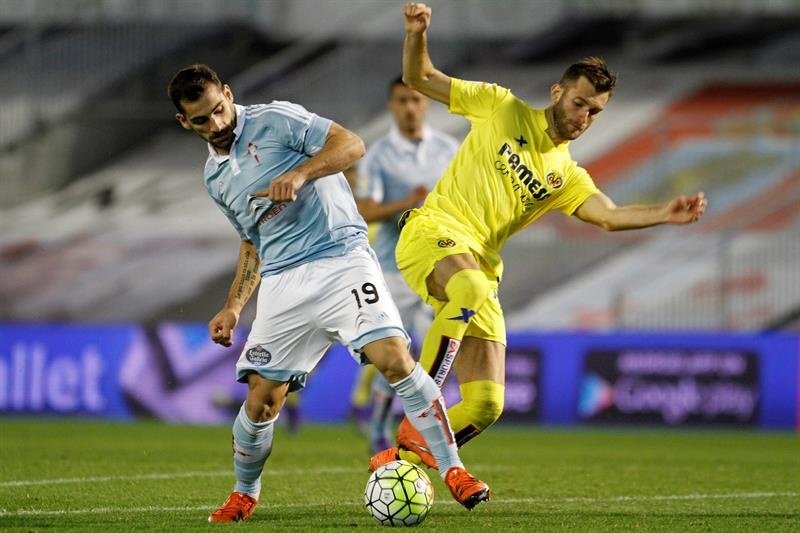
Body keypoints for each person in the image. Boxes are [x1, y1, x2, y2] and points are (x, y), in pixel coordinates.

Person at [370, 3, 709, 472]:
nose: (585, 117)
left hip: (480, 266)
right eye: (579, 104)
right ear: (557, 92)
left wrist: (663, 214)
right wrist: (415, 33)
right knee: (468, 287)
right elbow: (420, 76)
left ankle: (400, 461)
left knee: (487, 405)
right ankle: (420, 407)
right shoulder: (499, 105)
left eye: (595, 112)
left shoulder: (567, 176)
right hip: (433, 231)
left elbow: (607, 216)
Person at [166, 64, 490, 523]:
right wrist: (233, 306)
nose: (216, 124)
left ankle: (455, 471)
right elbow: (251, 241)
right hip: (282, 281)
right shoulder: (215, 179)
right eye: (201, 120)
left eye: (219, 110)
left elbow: (351, 145)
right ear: (184, 121)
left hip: (342, 257)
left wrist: (300, 174)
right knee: (262, 401)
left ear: (228, 93)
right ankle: (245, 492)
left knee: (395, 358)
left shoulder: (276, 119)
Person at [351, 76, 460, 454]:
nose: (410, 107)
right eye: (401, 101)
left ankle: (413, 429)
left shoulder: (450, 149)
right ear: (391, 106)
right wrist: (409, 203)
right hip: (393, 269)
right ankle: (380, 427)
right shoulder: (377, 156)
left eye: (415, 99)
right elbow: (365, 208)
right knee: (397, 355)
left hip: (439, 268)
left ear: (426, 104)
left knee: (429, 357)